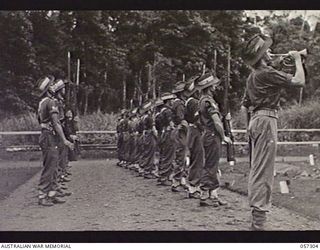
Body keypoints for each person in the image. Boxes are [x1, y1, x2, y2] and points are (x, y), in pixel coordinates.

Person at [241, 34, 305, 230]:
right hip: (267, 120)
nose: (270, 52)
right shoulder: (266, 73)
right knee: (264, 171)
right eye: (266, 51)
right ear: (261, 57)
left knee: (257, 168)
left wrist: (248, 128)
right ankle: (258, 220)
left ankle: (256, 215)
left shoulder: (254, 76)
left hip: (256, 121)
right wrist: (296, 60)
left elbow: (245, 105)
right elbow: (299, 81)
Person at [37, 76, 74, 206]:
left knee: (53, 165)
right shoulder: (50, 102)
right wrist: (64, 140)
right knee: (50, 166)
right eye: (51, 85)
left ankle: (52, 193)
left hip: (47, 135)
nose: (54, 87)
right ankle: (43, 194)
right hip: (49, 136)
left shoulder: (43, 102)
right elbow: (56, 123)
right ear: (48, 90)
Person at [197, 71, 232, 207]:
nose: (215, 87)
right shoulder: (209, 102)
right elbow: (216, 121)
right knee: (211, 165)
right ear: (209, 87)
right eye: (213, 85)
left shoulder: (201, 100)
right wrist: (223, 136)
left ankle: (213, 195)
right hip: (212, 135)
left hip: (206, 134)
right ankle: (204, 193)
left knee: (212, 164)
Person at [171, 81, 189, 192]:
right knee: (181, 155)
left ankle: (181, 179)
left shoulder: (176, 103)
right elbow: (181, 120)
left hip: (177, 132)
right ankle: (176, 181)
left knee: (181, 155)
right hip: (181, 132)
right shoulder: (180, 104)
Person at [157, 92, 177, 186]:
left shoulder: (161, 110)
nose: (173, 101)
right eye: (172, 100)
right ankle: (164, 176)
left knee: (164, 154)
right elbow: (171, 124)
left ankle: (163, 175)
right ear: (168, 101)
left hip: (163, 133)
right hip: (168, 133)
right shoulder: (168, 111)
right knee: (169, 155)